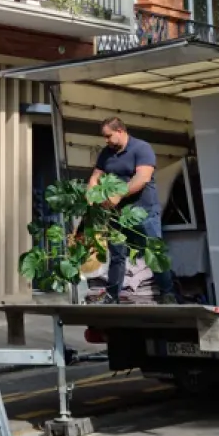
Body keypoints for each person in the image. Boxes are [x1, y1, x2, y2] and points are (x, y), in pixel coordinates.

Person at [89, 116, 175, 304]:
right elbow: (95, 176)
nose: (106, 140)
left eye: (108, 136)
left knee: (154, 252)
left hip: (143, 211)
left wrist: (118, 195)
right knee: (117, 255)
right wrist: (91, 194)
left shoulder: (141, 148)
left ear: (120, 131)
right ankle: (112, 296)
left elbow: (142, 178)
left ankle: (168, 293)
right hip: (116, 214)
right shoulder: (106, 153)